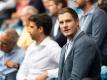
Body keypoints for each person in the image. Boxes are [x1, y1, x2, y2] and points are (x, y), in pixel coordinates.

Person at [57, 7, 101, 80]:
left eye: (68, 21)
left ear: (77, 21)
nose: (64, 25)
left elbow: (76, 78)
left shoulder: (85, 43)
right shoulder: (64, 47)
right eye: (61, 22)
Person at [16, 13, 61, 80]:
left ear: (40, 29)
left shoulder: (52, 47)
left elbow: (67, 68)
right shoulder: (31, 46)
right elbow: (22, 71)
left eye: (31, 27)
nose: (28, 30)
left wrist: (47, 74)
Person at [75, 0, 107, 66]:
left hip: (98, 63)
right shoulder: (81, 16)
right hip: (84, 58)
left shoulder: (99, 13)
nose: (75, 0)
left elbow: (96, 42)